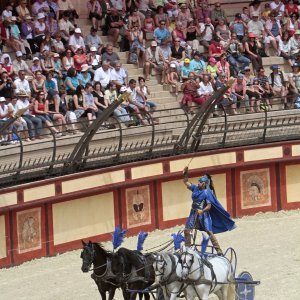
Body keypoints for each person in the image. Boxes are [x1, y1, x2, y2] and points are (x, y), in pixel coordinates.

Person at [182, 167, 236, 255]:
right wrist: (185, 174)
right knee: (187, 230)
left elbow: (209, 206)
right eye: (198, 181)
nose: (198, 183)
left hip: (203, 214)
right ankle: (188, 248)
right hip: (193, 213)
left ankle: (218, 250)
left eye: (200, 182)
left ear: (204, 184)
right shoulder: (195, 188)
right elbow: (186, 182)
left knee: (209, 231)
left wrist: (202, 211)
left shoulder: (207, 193)